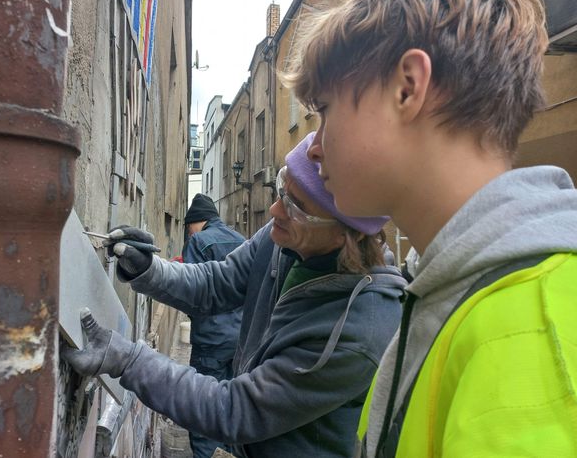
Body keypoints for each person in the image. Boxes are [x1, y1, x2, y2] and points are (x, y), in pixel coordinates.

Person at [283, 0, 577, 456]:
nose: (314, 147)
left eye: (325, 110)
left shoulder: (531, 333)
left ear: (408, 87)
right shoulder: (446, 292)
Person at [62, 132, 407, 457]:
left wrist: (129, 360)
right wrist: (149, 270)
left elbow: (236, 410)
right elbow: (216, 282)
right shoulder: (284, 238)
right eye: (281, 190)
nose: (274, 211)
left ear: (345, 235)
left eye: (295, 206)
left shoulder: (359, 330)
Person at [182, 193, 245, 458]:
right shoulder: (242, 241)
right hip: (242, 339)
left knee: (204, 407)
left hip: (212, 340)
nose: (188, 231)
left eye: (188, 226)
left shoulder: (198, 241)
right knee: (234, 406)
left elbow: (192, 292)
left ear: (197, 222)